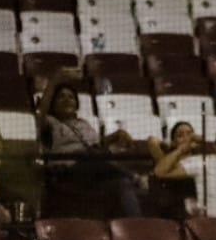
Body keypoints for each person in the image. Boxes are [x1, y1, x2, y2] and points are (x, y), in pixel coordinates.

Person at [37, 68, 142, 217]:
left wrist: (115, 135)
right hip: (69, 171)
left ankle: (136, 226)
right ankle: (136, 177)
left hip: (94, 168)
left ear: (77, 104)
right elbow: (40, 114)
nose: (67, 99)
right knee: (95, 160)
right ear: (53, 104)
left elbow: (96, 145)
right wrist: (54, 81)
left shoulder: (84, 123)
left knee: (122, 182)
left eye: (71, 97)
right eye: (61, 97)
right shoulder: (51, 123)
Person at [147, 121, 199, 219]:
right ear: (173, 142)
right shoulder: (166, 163)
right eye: (180, 135)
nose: (186, 138)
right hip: (172, 209)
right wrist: (176, 148)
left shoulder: (200, 160)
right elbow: (152, 141)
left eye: (189, 134)